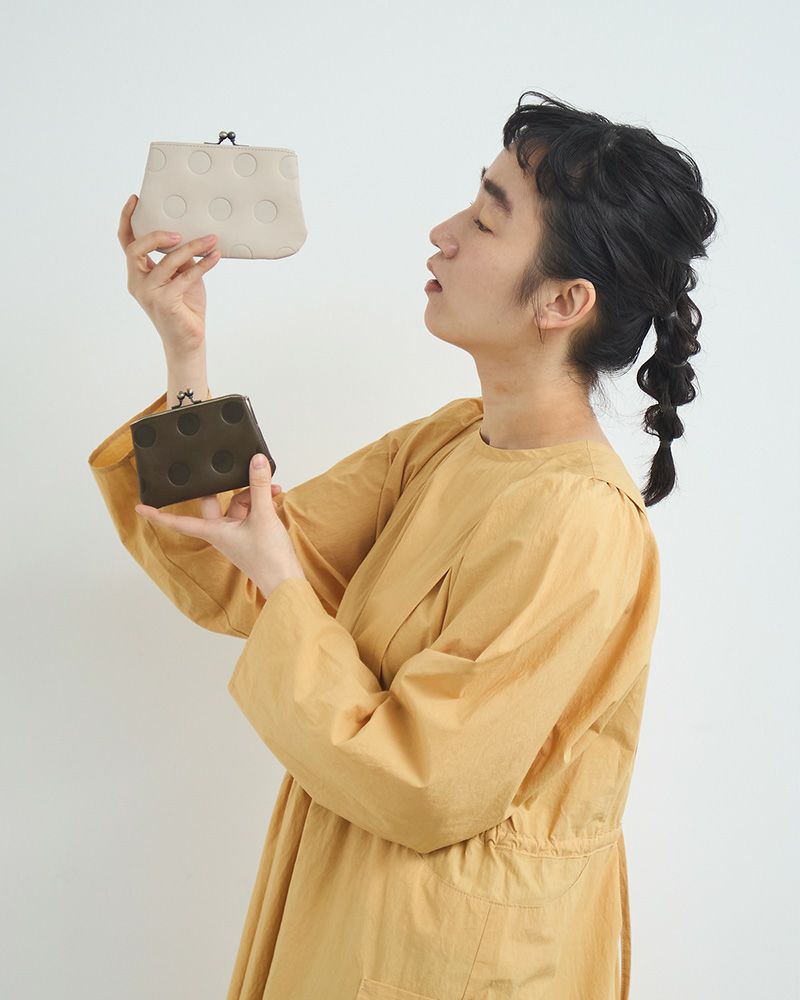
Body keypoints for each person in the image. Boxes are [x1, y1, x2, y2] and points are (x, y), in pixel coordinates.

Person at [87, 90, 718, 999]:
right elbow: (224, 565)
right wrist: (185, 350)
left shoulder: (580, 522)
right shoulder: (451, 442)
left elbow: (427, 781)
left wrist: (282, 584)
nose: (442, 233)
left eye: (485, 220)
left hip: (451, 964)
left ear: (563, 300)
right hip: (350, 920)